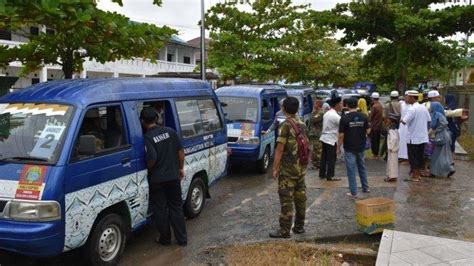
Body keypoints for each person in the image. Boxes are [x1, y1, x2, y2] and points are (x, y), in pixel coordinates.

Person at [141, 107, 187, 246]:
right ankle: (182, 240)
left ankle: (165, 239)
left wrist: (146, 169)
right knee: (176, 208)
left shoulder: (147, 138)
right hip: (173, 177)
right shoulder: (170, 131)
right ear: (156, 118)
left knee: (160, 209)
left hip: (157, 180)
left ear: (142, 122)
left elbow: (152, 158)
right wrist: (180, 168)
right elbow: (181, 152)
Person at [270, 97, 308, 238]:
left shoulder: (285, 125)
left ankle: (285, 230)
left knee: (286, 200)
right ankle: (299, 227)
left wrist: (275, 168)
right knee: (300, 199)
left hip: (287, 170)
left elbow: (280, 149)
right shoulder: (302, 124)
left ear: (283, 109)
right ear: (297, 109)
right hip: (301, 169)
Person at [338, 97, 369, 199]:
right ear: (357, 105)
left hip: (349, 147)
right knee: (362, 167)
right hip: (360, 146)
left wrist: (338, 147)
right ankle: (365, 187)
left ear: (347, 106)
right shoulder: (364, 116)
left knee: (351, 169)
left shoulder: (344, 118)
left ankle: (354, 192)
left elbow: (341, 135)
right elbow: (368, 131)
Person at [401, 90, 431, 182]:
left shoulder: (412, 109)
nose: (406, 98)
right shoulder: (423, 108)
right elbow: (429, 120)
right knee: (419, 156)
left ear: (412, 97)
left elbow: (404, 121)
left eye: (407, 97)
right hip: (422, 137)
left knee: (413, 157)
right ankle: (418, 174)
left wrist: (401, 119)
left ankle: (415, 176)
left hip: (413, 138)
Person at [319, 91, 342, 181]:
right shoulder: (336, 116)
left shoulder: (327, 113)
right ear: (336, 105)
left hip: (324, 137)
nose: (341, 105)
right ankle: (330, 175)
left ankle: (322, 173)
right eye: (340, 104)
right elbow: (342, 128)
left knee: (324, 157)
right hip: (331, 139)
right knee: (332, 158)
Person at [429, 102, 455, 178]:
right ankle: (446, 169)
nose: (430, 108)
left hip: (442, 136)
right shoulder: (435, 114)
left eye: (431, 106)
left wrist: (436, 130)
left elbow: (444, 123)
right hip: (442, 135)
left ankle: (448, 169)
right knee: (440, 154)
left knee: (439, 154)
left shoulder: (438, 114)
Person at [385, 114, 400, 182]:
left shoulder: (391, 130)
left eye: (388, 120)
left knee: (391, 163)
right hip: (395, 148)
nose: (387, 121)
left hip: (392, 149)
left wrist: (391, 147)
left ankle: (391, 176)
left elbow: (394, 139)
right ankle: (393, 176)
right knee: (393, 162)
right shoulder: (395, 129)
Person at [310, 100, 324, 170]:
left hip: (318, 134)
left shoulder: (320, 112)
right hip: (315, 134)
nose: (314, 105)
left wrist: (313, 111)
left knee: (318, 149)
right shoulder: (317, 112)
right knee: (315, 149)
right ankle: (316, 164)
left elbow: (313, 119)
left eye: (315, 103)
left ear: (318, 104)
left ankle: (318, 164)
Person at [369, 92, 383, 159]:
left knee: (373, 140)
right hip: (379, 125)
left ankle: (375, 155)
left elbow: (371, 117)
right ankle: (376, 154)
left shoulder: (374, 106)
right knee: (377, 140)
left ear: (372, 98)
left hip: (374, 126)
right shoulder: (380, 105)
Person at [398, 93, 409, 161]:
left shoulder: (413, 106)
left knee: (406, 141)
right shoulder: (401, 104)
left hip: (408, 126)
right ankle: (401, 156)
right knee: (401, 141)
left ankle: (407, 158)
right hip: (402, 126)